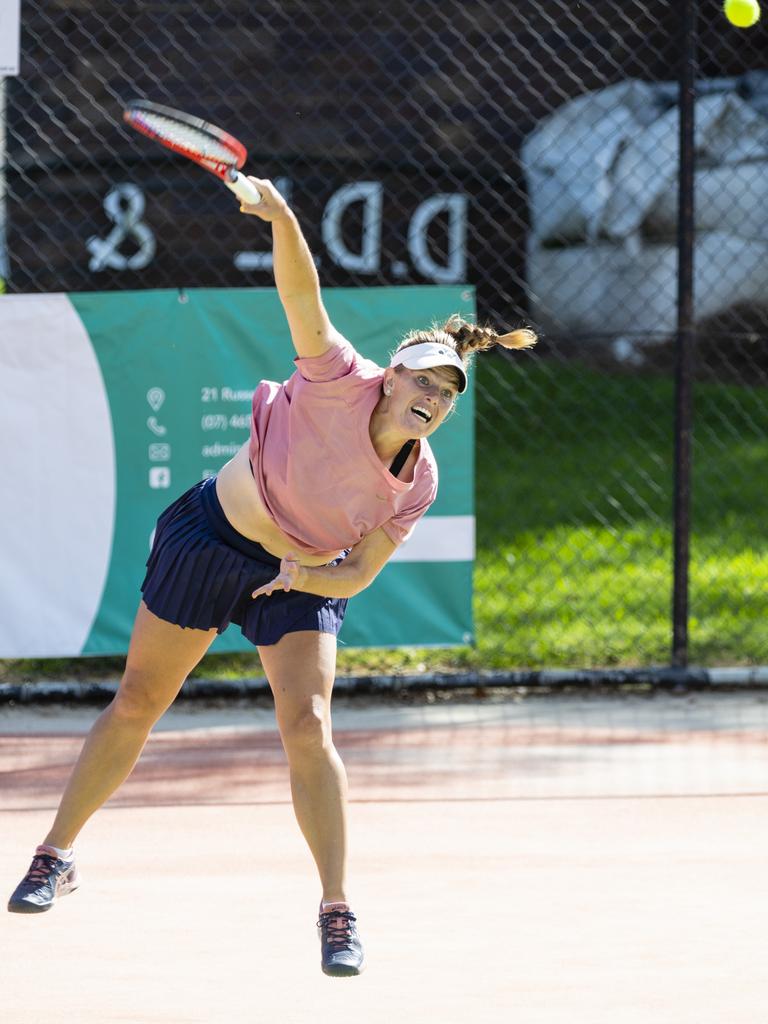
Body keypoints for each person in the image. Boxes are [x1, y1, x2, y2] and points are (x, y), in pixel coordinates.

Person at [6, 179, 536, 976]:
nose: (432, 396)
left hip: (302, 578)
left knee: (309, 726)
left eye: (447, 392)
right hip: (211, 539)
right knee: (139, 702)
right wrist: (284, 217)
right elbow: (301, 292)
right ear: (391, 377)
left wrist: (296, 574)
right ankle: (56, 854)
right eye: (423, 379)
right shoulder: (335, 376)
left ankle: (337, 910)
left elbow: (358, 572)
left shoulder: (418, 480)